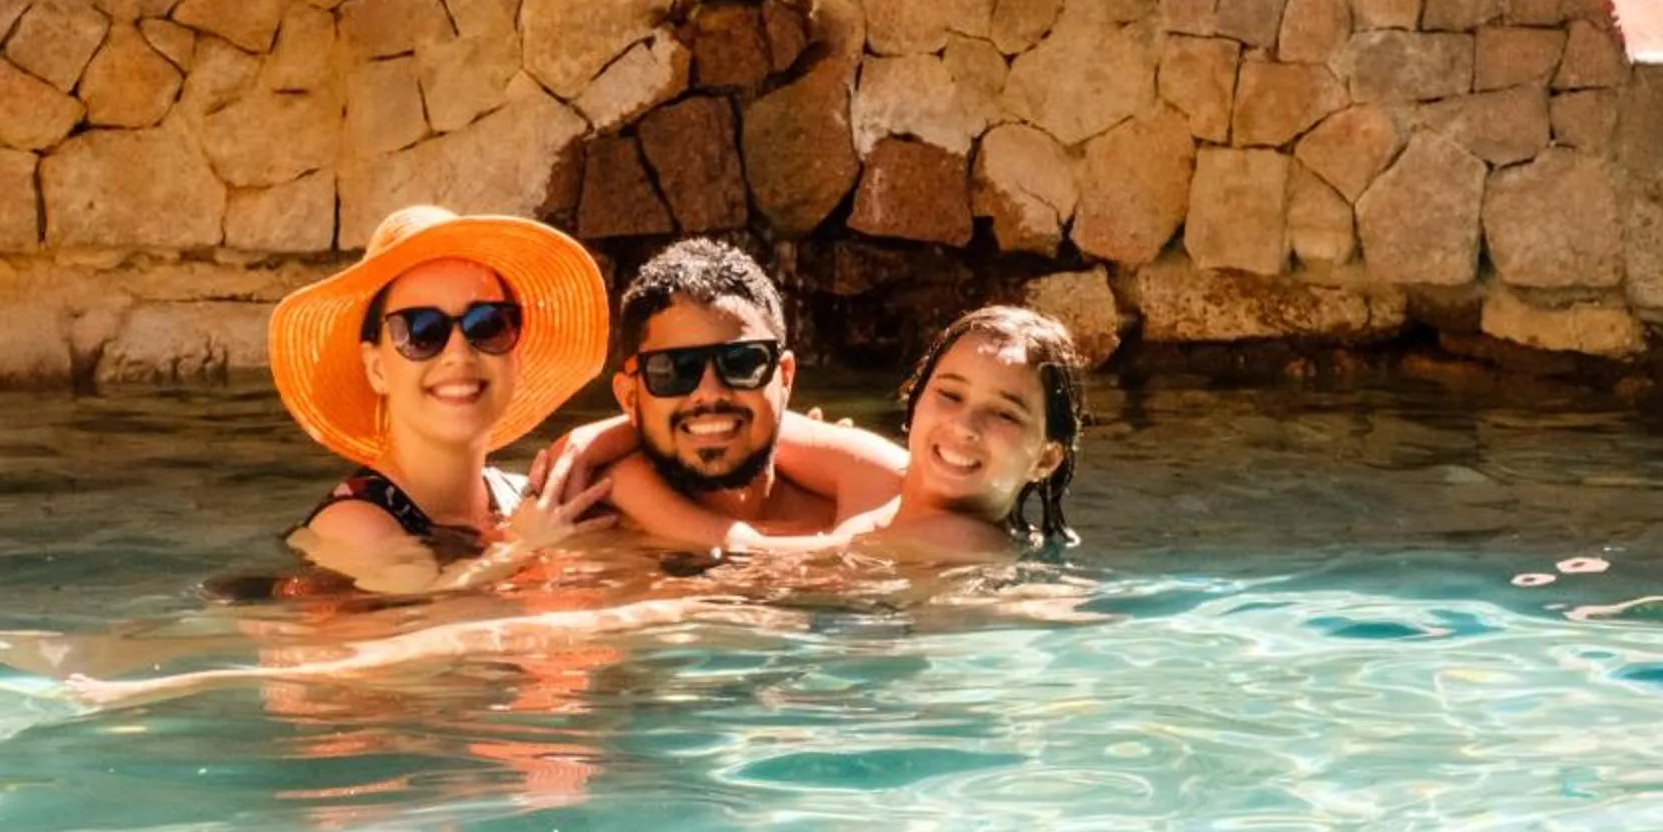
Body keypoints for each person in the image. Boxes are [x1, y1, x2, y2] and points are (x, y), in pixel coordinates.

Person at [269, 204, 619, 596]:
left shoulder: (518, 500)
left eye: (486, 325)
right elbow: (428, 621)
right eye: (422, 331)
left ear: (516, 357)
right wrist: (521, 549)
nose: (458, 352)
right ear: (377, 368)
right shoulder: (353, 524)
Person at [604, 303, 1087, 562]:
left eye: (1004, 414)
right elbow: (741, 419)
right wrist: (596, 439)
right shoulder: (888, 479)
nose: (964, 426)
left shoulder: (966, 541)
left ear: (1046, 459)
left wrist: (625, 482)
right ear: (914, 404)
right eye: (950, 395)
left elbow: (745, 553)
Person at [535, 238, 907, 544]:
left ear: (786, 378)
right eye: (674, 370)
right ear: (630, 397)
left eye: (742, 363)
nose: (710, 393)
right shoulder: (592, 528)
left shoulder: (867, 501)